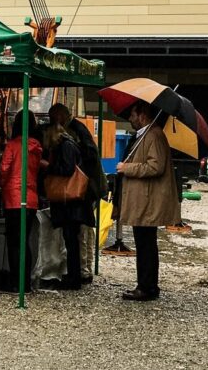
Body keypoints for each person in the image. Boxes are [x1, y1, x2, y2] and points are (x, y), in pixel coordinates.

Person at [115, 101, 181, 301]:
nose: (130, 119)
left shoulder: (153, 135)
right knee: (144, 243)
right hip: (142, 200)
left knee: (146, 245)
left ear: (142, 114)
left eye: (132, 115)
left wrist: (128, 168)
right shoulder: (144, 135)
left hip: (147, 201)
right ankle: (145, 285)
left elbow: (156, 167)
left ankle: (147, 287)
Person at [49, 102, 106, 283]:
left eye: (52, 119)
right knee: (82, 233)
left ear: (59, 118)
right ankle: (84, 270)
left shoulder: (76, 131)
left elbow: (89, 156)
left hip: (83, 189)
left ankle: (83, 271)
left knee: (80, 234)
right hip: (87, 188)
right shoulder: (77, 129)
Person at [44, 123, 93, 290]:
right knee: (72, 240)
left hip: (69, 202)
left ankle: (74, 279)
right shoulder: (69, 144)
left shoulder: (66, 146)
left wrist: (48, 167)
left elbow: (67, 170)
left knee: (71, 240)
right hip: (72, 203)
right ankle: (74, 276)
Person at [0, 111, 42, 293]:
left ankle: (16, 282)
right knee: (25, 242)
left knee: (14, 242)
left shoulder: (13, 145)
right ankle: (26, 282)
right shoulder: (36, 146)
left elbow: (4, 169)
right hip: (31, 198)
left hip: (13, 197)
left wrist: (0, 184)